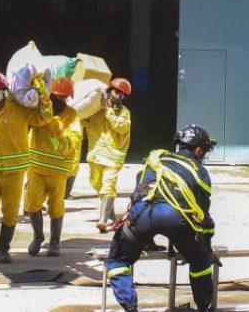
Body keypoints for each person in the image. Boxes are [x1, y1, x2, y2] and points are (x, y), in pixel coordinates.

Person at [105, 125, 219, 312]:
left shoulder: (156, 160)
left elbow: (139, 194)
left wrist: (145, 239)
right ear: (198, 150)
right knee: (199, 262)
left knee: (117, 261)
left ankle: (130, 307)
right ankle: (203, 307)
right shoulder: (199, 171)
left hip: (142, 215)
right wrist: (205, 247)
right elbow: (202, 217)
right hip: (177, 220)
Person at [0, 70, 51, 263]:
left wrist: (43, 93)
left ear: (5, 90)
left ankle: (3, 249)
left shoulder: (19, 109)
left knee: (11, 212)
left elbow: (44, 117)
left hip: (15, 170)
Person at [25, 77, 81, 256]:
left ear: (67, 98)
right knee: (32, 204)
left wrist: (58, 141)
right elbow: (29, 120)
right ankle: (38, 237)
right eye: (54, 96)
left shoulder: (72, 115)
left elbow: (75, 139)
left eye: (61, 97)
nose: (57, 100)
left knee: (56, 206)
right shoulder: (40, 110)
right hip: (36, 167)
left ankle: (54, 242)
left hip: (57, 170)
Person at [85, 78, 133, 226]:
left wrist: (109, 112)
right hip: (95, 155)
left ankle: (103, 221)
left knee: (108, 185)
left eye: (123, 94)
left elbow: (122, 127)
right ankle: (110, 214)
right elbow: (83, 120)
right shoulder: (97, 110)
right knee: (96, 183)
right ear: (109, 91)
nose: (119, 96)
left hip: (113, 156)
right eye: (117, 92)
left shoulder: (124, 112)